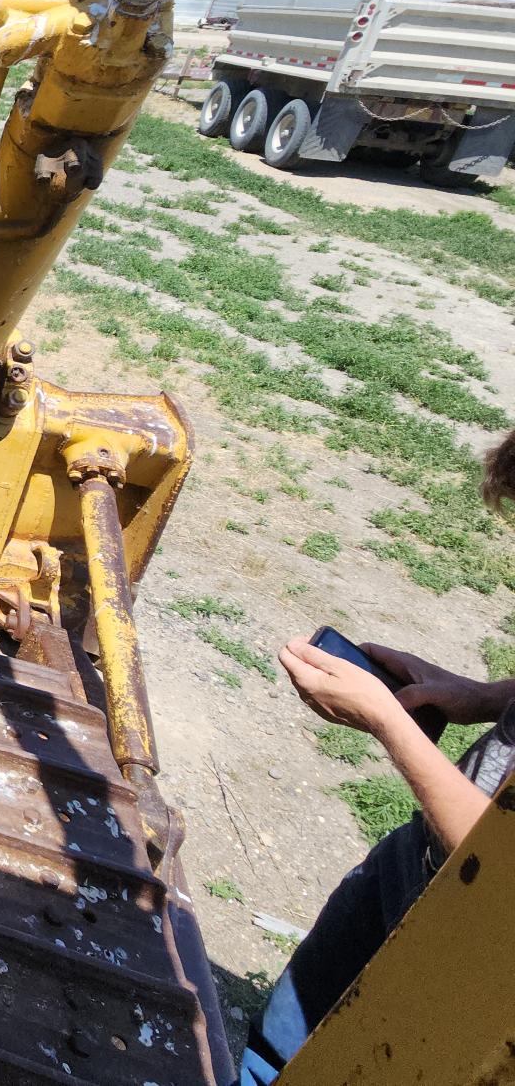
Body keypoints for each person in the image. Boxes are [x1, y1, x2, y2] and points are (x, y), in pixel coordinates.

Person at [235, 427, 515, 1084]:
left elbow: (498, 866)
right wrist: (476, 696)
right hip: (412, 870)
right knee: (276, 1048)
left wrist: (389, 721)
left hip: (459, 952)